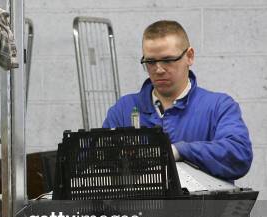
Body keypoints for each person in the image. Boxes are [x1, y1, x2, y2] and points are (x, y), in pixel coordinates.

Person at [103, 20, 252, 182]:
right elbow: (95, 159)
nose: (158, 69)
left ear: (189, 56)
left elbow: (238, 154)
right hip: (142, 207)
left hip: (202, 207)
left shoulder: (219, 107)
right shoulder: (124, 110)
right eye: (150, 62)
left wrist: (178, 151)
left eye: (168, 60)